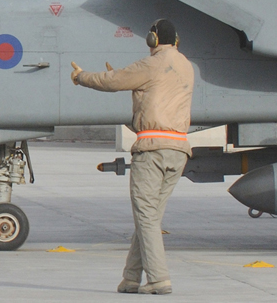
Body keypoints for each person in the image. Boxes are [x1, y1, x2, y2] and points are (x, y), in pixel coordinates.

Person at [70, 19, 195, 295]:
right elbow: (153, 89)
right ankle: (130, 278)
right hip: (178, 151)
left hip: (152, 150)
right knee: (149, 217)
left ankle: (159, 280)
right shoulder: (186, 66)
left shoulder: (151, 64)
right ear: (176, 40)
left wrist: (81, 77)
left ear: (153, 39)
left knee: (146, 217)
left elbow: (112, 82)